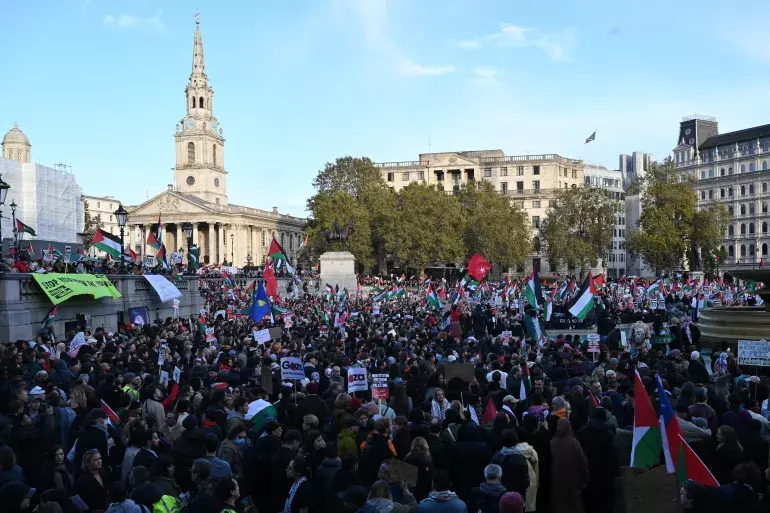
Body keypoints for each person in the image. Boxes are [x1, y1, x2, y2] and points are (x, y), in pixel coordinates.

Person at [550, 418, 588, 513]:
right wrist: (584, 480)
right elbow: (583, 462)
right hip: (573, 482)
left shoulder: (552, 442)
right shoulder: (574, 443)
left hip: (557, 482)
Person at [490, 430, 530, 498]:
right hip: (517, 495)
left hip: (500, 494)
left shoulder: (496, 456)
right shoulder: (520, 458)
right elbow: (525, 481)